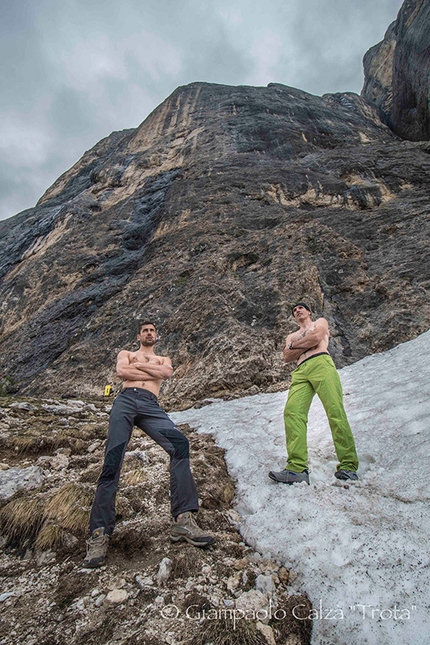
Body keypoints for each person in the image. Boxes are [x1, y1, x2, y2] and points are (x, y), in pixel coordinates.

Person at [84, 320, 214, 568]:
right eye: (145, 330)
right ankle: (99, 533)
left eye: (153, 330)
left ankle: (183, 519)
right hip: (124, 402)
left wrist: (140, 369)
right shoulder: (126, 354)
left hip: (150, 405)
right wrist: (146, 369)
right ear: (138, 335)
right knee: (112, 459)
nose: (149, 333)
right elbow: (123, 373)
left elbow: (167, 374)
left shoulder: (164, 359)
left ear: (157, 336)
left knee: (180, 445)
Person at [269, 302, 359, 485]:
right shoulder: (291, 335)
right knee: (292, 413)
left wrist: (296, 346)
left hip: (321, 363)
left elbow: (317, 337)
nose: (297, 310)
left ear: (309, 311)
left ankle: (348, 465)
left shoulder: (320, 322)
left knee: (335, 410)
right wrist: (303, 344)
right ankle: (296, 468)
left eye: (301, 308)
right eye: (294, 310)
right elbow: (286, 357)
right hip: (300, 371)